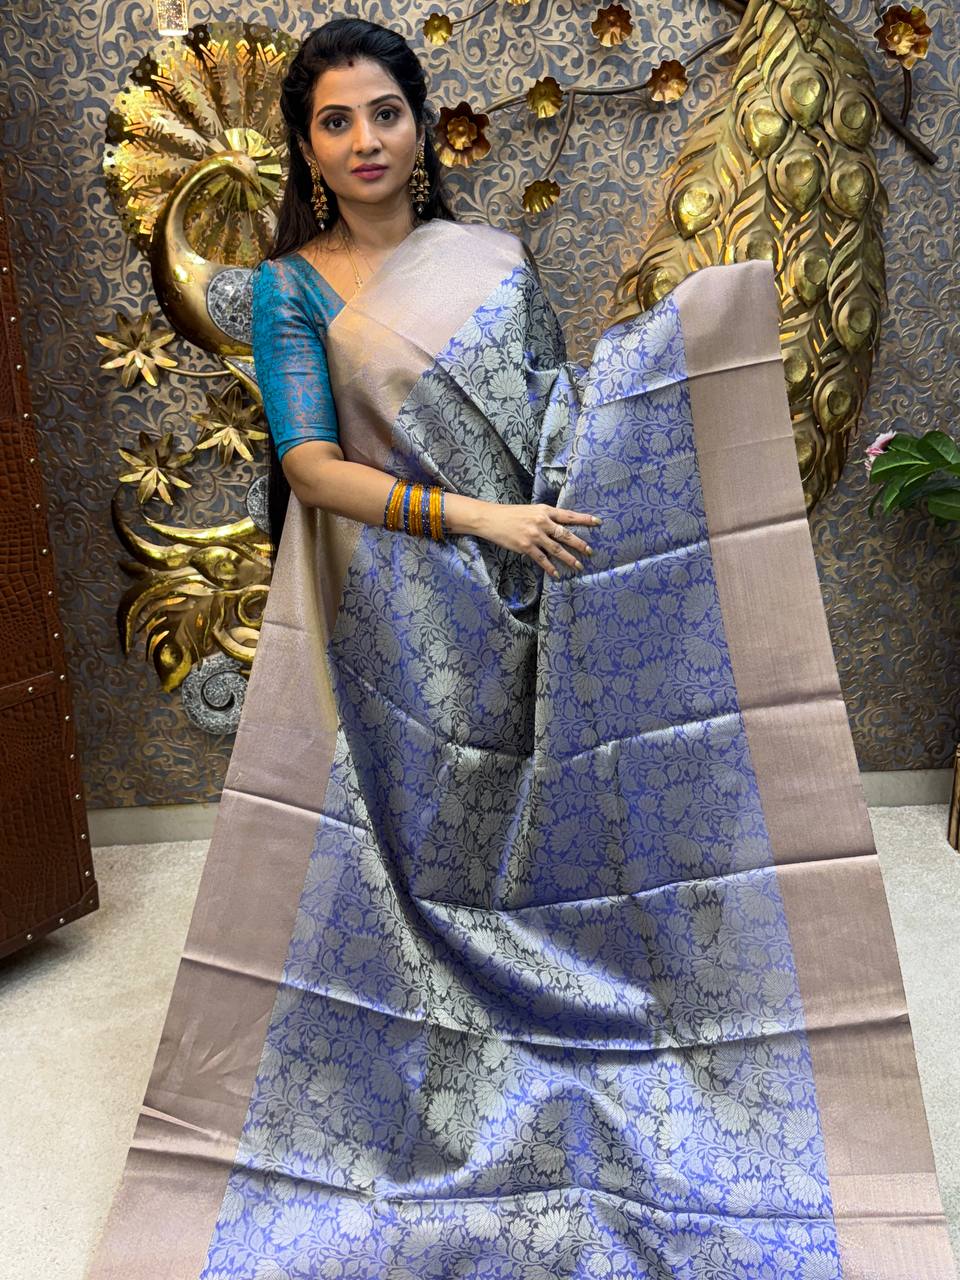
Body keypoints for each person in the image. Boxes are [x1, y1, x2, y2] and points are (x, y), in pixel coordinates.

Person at [87, 17, 955, 1280]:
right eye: (335, 121)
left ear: (420, 125)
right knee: (425, 858)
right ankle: (428, 1061)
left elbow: (560, 419)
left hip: (533, 572)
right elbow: (311, 468)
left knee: (562, 835)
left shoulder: (493, 257)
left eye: (386, 112)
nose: (365, 140)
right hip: (400, 614)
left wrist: (687, 356)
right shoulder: (292, 287)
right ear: (306, 148)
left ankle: (577, 1025)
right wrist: (475, 517)